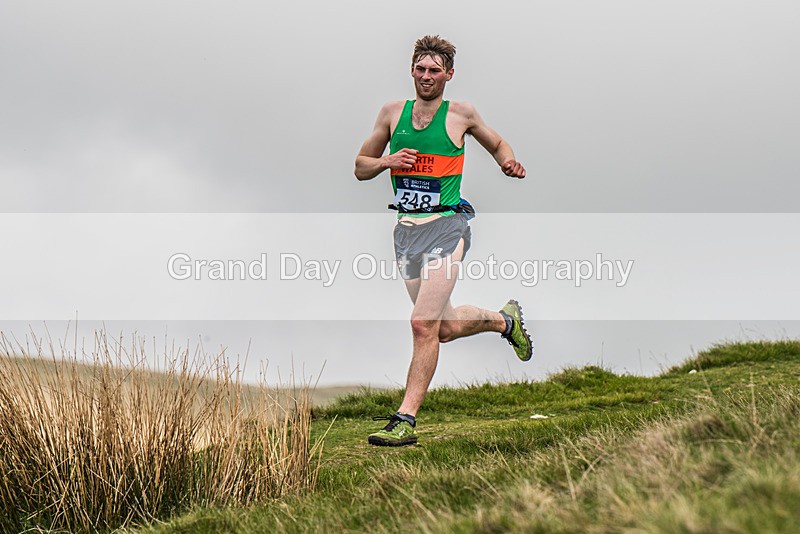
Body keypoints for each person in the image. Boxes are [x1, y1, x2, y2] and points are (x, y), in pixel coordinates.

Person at [354, 35, 533, 446]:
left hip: (448, 227)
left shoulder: (461, 114)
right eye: (421, 68)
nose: (427, 76)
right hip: (406, 233)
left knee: (422, 324)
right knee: (445, 327)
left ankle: (405, 421)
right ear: (411, 71)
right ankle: (505, 321)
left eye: (435, 70)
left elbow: (497, 142)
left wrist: (507, 161)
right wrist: (386, 161)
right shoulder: (391, 114)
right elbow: (360, 167)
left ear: (449, 75)